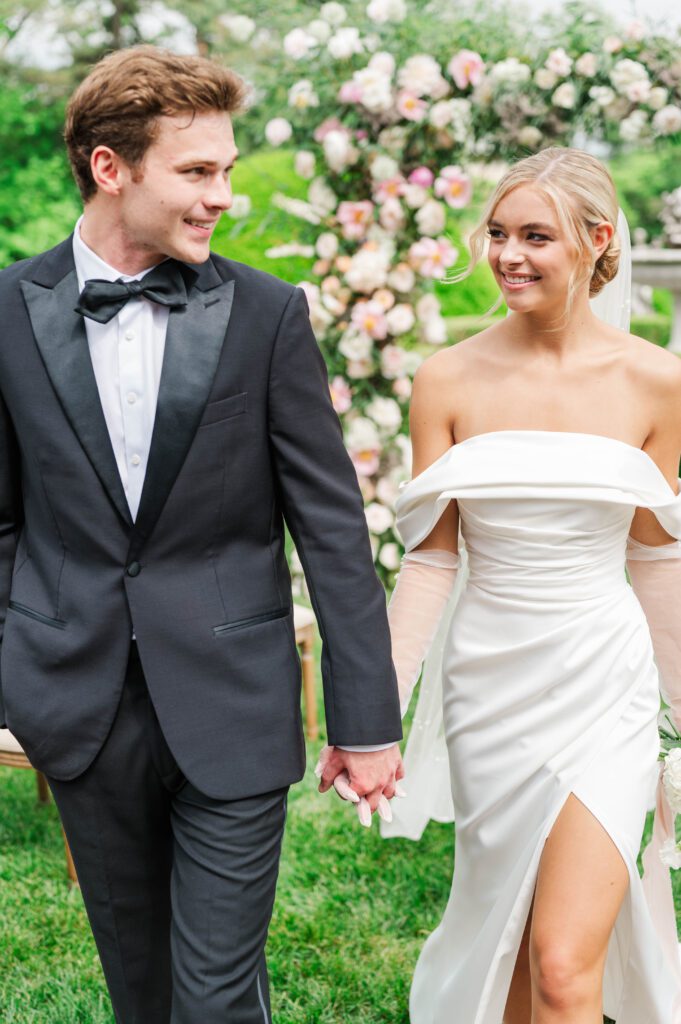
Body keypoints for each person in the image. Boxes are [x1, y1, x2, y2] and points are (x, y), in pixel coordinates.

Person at [0, 46, 403, 1023]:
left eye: (225, 169)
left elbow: (332, 529)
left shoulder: (266, 315)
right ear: (111, 167)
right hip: (78, 708)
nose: (224, 196)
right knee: (142, 994)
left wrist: (365, 719)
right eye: (198, 171)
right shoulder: (8, 311)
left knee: (215, 999)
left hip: (235, 703)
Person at [381, 147, 681, 1022]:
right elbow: (431, 563)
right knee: (509, 940)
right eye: (499, 234)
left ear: (595, 242)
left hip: (603, 684)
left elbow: (656, 562)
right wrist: (378, 716)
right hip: (489, 685)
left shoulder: (658, 382)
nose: (508, 254)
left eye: (535, 236)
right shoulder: (446, 378)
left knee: (560, 962)